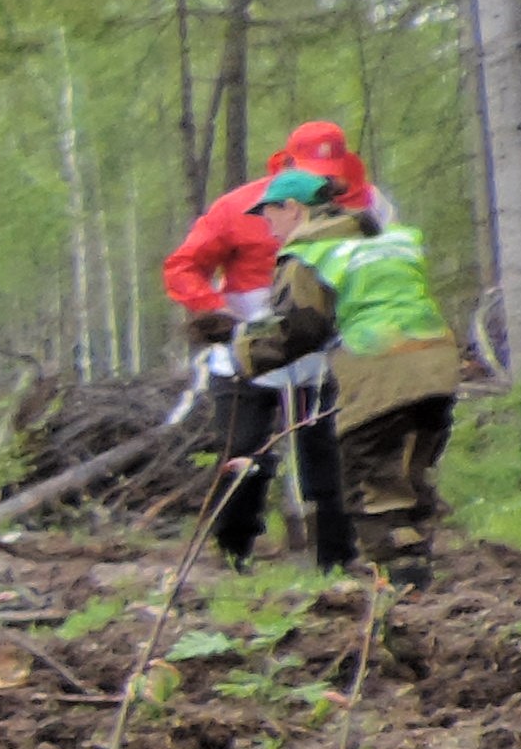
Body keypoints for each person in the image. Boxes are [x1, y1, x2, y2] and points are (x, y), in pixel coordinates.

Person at [164, 118, 393, 564]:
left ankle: (336, 561)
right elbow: (183, 266)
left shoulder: (368, 207)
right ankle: (233, 554)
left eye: (328, 177)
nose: (320, 184)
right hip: (246, 350)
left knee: (329, 459)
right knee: (243, 456)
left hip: (325, 353)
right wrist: (214, 308)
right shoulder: (239, 208)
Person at [247, 170, 460, 583]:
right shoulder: (386, 240)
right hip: (437, 364)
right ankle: (417, 572)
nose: (267, 226)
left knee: (371, 481)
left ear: (293, 208)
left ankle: (398, 585)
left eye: (268, 214)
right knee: (411, 473)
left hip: (378, 367)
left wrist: (243, 352)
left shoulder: (311, 252)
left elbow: (298, 330)